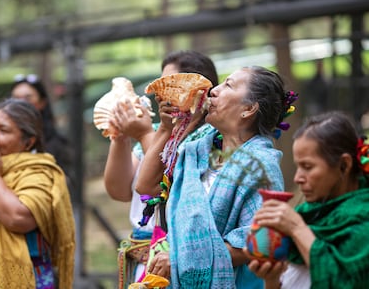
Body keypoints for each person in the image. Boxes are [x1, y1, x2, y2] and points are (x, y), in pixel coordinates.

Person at [136, 66, 296, 288]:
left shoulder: (260, 166)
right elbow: (145, 186)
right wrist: (177, 125)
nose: (213, 91)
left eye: (228, 85)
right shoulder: (195, 153)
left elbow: (259, 241)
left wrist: (180, 261)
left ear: (248, 109)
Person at [103, 50, 219, 288]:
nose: (161, 92)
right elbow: (120, 191)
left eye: (170, 84)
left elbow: (169, 182)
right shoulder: (157, 128)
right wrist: (120, 137)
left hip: (177, 256)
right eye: (161, 83)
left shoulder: (211, 135)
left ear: (197, 88)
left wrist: (145, 134)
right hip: (143, 253)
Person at [0, 98, 75, 288]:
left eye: (3, 130)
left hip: (16, 279)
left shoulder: (38, 173)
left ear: (28, 142)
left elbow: (18, 219)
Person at [247, 111, 369, 289]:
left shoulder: (363, 223)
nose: (297, 178)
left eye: (308, 167)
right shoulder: (308, 216)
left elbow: (345, 283)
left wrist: (296, 228)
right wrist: (271, 280)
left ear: (344, 165)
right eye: (298, 167)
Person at [11, 74, 75, 190]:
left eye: (28, 98)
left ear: (42, 102)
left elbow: (66, 183)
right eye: (15, 98)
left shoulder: (56, 144)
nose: (20, 104)